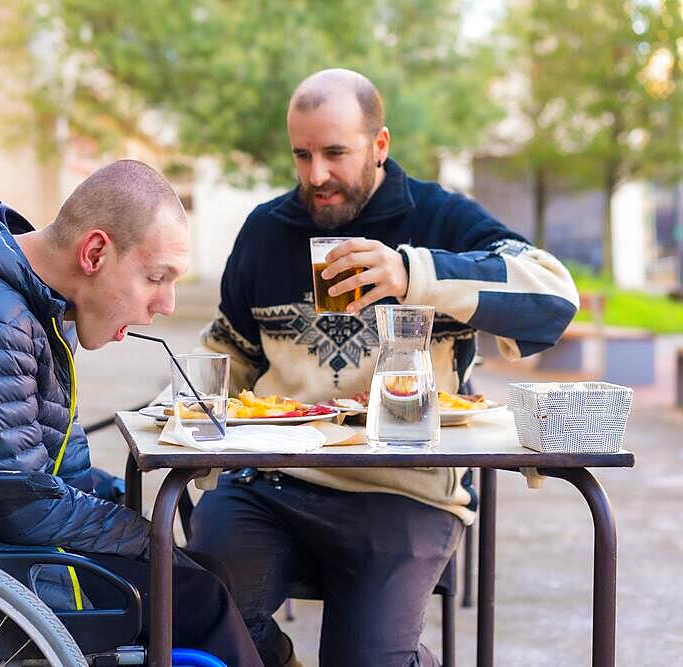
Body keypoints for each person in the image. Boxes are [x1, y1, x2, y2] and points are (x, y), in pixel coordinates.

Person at [189, 69, 580, 667]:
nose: (316, 175)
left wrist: (413, 275)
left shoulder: (439, 218)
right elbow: (232, 352)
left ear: (380, 145)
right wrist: (186, 417)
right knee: (196, 610)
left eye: (335, 153)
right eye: (302, 154)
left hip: (405, 489)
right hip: (274, 483)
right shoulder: (267, 230)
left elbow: (554, 298)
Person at [0, 160, 263, 666]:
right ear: (94, 252)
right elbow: (18, 505)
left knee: (204, 576)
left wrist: (120, 509)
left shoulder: (22, 301)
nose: (169, 304)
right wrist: (143, 533)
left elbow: (38, 468)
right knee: (200, 596)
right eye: (157, 278)